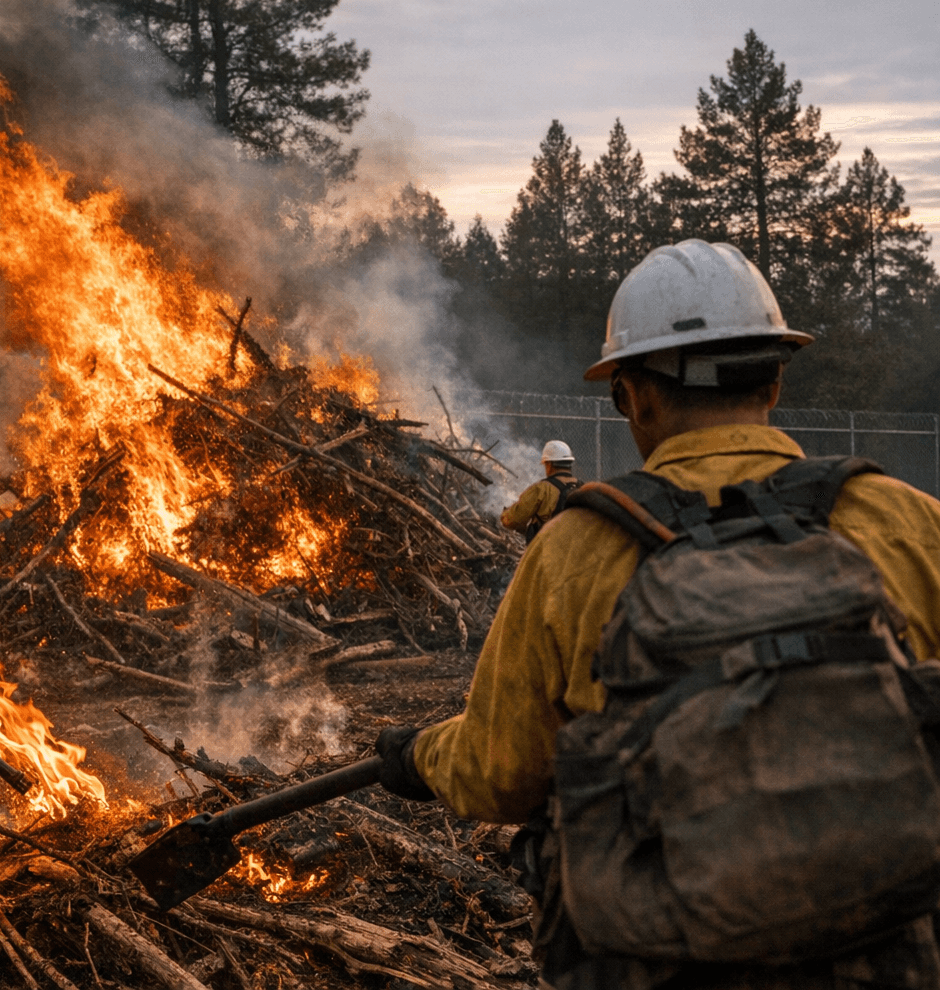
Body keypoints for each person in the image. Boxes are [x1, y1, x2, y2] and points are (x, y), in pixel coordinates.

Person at [375, 240, 940, 988]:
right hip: (892, 946)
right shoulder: (906, 520)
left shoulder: (574, 552)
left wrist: (417, 756)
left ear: (633, 397)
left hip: (662, 962)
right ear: (773, 379)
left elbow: (503, 772)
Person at [499, 440, 580, 540]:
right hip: (578, 551)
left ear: (549, 464)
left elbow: (515, 519)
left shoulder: (541, 489)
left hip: (547, 551)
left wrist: (504, 516)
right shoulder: (582, 488)